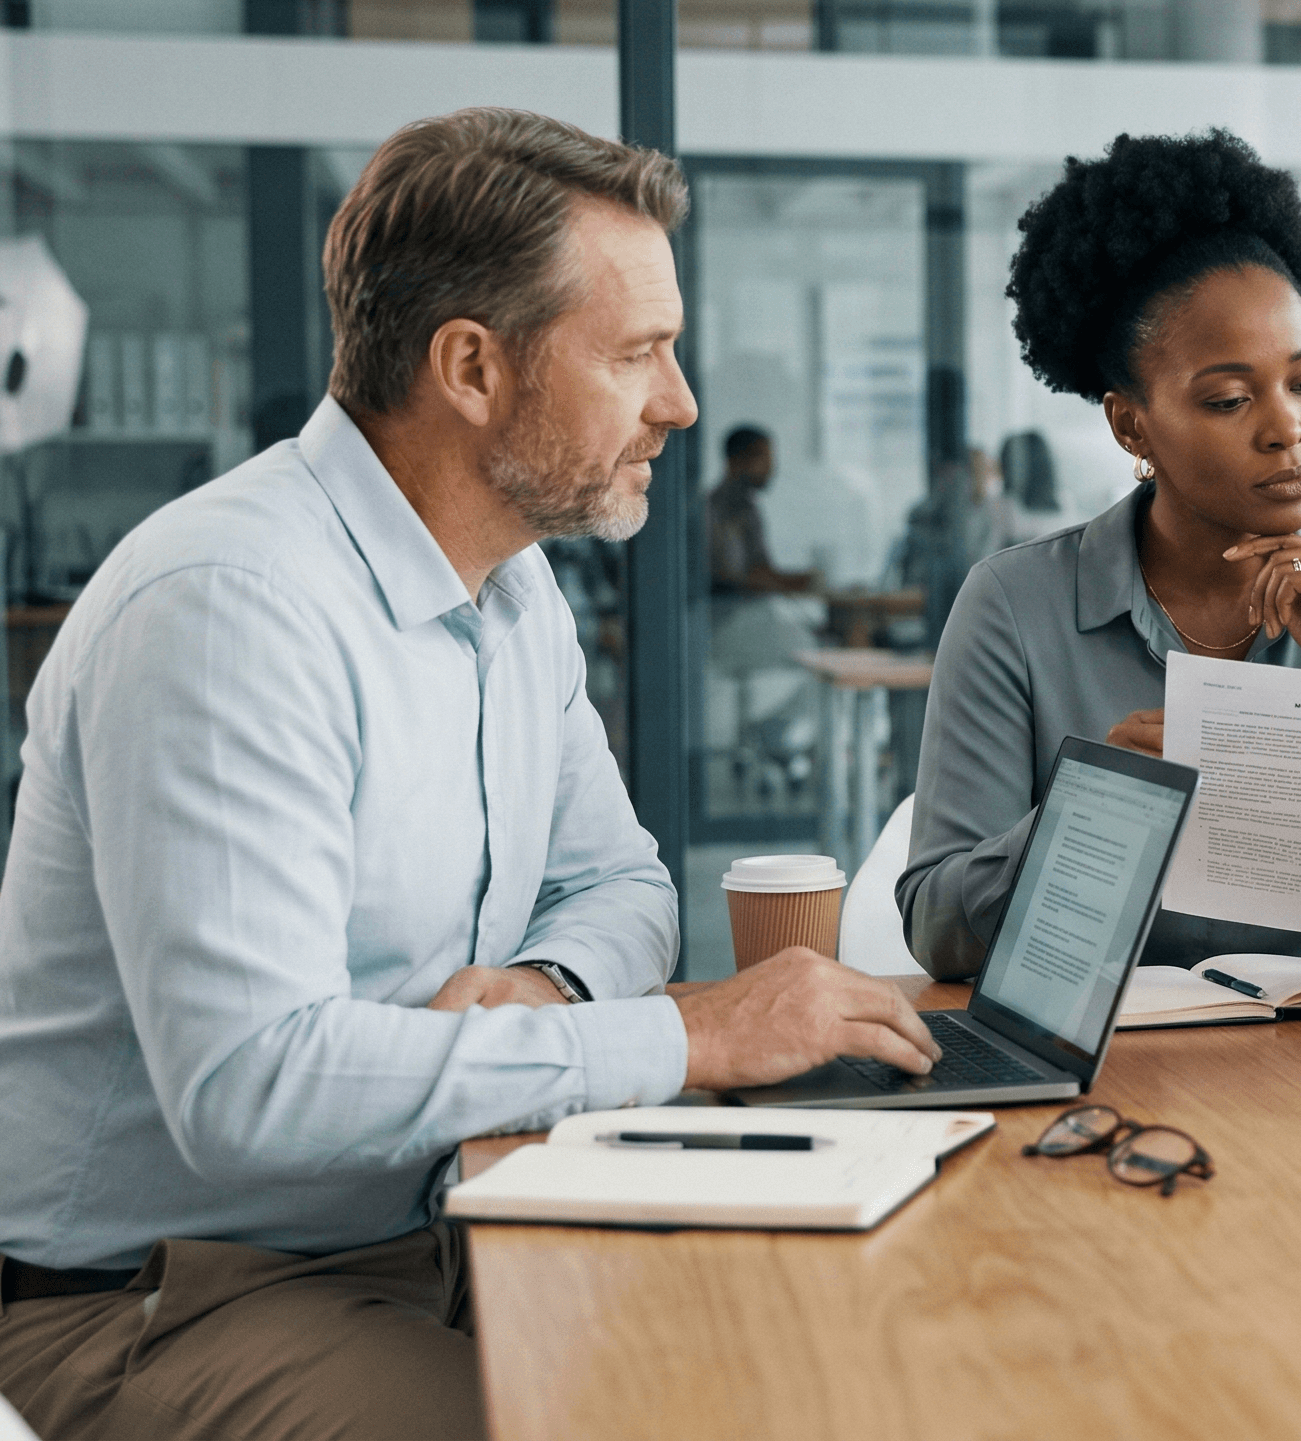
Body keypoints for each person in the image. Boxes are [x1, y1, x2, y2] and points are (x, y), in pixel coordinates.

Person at [0, 108, 937, 1440]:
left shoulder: (509, 585)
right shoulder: (230, 608)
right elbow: (250, 1089)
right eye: (637, 355)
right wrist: (692, 1033)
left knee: (782, 1366)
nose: (680, 402)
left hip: (430, 1224)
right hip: (159, 1298)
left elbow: (620, 879)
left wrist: (545, 989)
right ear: (470, 367)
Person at [897, 129, 1301, 991]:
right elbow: (938, 927)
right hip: (1087, 1068)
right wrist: (1101, 805)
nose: (1288, 426)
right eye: (1228, 398)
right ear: (1131, 425)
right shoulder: (1014, 606)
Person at [707, 424, 816, 595]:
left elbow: (760, 569)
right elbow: (727, 578)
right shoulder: (711, 510)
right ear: (737, 460)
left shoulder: (749, 509)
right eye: (763, 459)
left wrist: (804, 581)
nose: (771, 468)